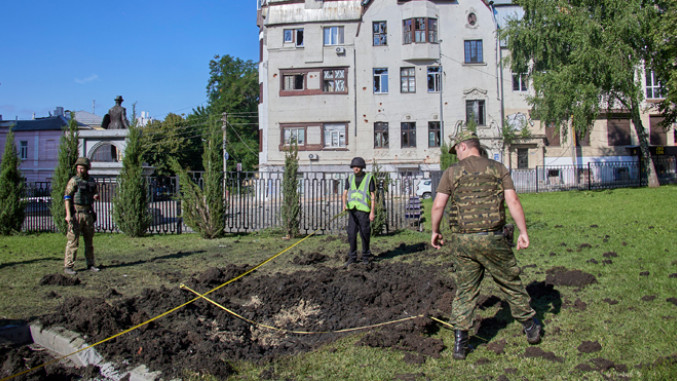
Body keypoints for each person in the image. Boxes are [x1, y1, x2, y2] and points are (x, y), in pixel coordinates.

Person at [430, 131, 541, 360]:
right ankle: (530, 327)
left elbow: (438, 205)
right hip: (493, 238)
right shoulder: (497, 168)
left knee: (465, 290)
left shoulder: (452, 173)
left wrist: (435, 231)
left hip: (463, 242)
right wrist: (523, 231)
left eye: (456, 151)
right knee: (510, 282)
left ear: (462, 146)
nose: (456, 156)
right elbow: (512, 200)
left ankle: (460, 344)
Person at [63, 157, 100, 275]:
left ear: (87, 168)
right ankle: (68, 266)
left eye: (82, 168)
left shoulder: (91, 181)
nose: (80, 170)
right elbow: (67, 197)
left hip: (88, 213)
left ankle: (90, 264)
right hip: (76, 214)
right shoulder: (74, 181)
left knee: (89, 241)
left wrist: (95, 196)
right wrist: (68, 215)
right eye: (79, 168)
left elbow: (95, 192)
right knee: (73, 241)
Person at [342, 157, 376, 266]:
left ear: (362, 167)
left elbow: (373, 196)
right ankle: (352, 257)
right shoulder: (350, 178)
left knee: (364, 234)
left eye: (358, 166)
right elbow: (345, 193)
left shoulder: (369, 178)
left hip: (364, 211)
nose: (356, 168)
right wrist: (344, 204)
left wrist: (372, 212)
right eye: (354, 166)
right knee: (351, 233)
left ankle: (366, 256)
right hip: (352, 211)